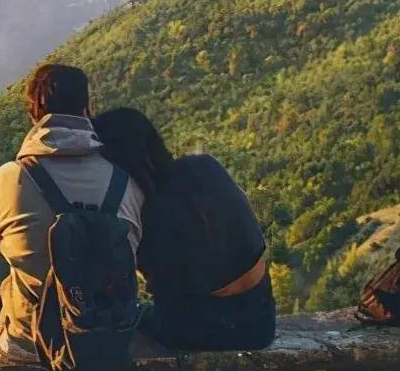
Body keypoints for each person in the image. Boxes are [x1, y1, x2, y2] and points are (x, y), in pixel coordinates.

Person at [0, 65, 146, 361]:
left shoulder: (11, 178)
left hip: (29, 340)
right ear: (86, 108)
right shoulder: (124, 183)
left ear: (34, 112)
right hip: (106, 337)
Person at [93, 108, 275, 352]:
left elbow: (169, 300)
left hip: (203, 331)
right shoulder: (205, 167)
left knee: (112, 322)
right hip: (261, 321)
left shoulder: (147, 212)